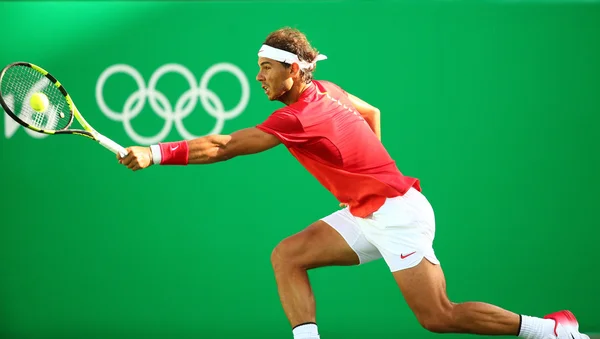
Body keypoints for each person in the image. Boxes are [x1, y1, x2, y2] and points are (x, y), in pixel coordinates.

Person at [117, 27, 589, 339]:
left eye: (266, 67)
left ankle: (551, 332)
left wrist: (154, 152)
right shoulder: (328, 90)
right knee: (287, 255)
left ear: (293, 70)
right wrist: (368, 174)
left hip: (397, 213)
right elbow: (371, 113)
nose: (257, 75)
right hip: (371, 210)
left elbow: (223, 146)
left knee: (437, 315)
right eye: (259, 66)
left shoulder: (299, 115)